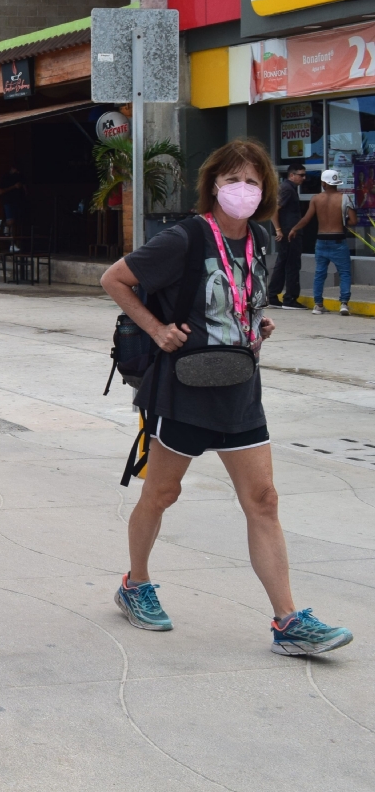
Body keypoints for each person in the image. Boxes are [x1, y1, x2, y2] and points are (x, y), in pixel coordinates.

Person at [101, 139, 353, 656]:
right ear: (213, 184)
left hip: (240, 387)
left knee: (264, 500)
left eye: (254, 181)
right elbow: (115, 278)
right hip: (184, 389)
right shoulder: (185, 238)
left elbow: (244, 296)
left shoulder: (263, 238)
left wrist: (257, 318)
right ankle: (135, 584)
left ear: (266, 190)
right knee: (161, 495)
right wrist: (155, 328)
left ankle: (287, 622)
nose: (244, 189)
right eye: (233, 179)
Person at [289, 167, 356, 316]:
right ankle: (344, 304)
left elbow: (306, 219)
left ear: (323, 183)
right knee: (344, 273)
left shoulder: (316, 199)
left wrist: (294, 229)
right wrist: (343, 221)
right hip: (338, 239)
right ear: (336, 183)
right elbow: (353, 220)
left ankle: (318, 305)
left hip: (321, 240)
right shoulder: (344, 198)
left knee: (320, 273)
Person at [268, 162, 309, 309]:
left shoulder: (289, 188)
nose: (303, 178)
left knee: (283, 263)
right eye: (301, 175)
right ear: (292, 175)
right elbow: (274, 209)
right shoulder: (287, 189)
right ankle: (289, 298)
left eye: (305, 175)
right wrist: (279, 229)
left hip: (289, 231)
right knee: (292, 264)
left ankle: (273, 295)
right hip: (289, 233)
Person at [0, 165, 27, 245]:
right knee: (11, 221)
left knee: (18, 223)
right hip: (9, 201)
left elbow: (25, 188)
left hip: (19, 202)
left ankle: (15, 243)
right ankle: (11, 242)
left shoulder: (20, 176)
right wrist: (14, 187)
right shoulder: (6, 177)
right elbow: (0, 191)